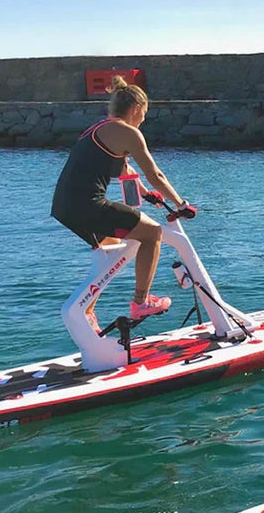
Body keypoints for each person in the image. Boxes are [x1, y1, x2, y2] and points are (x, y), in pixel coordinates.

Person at [51, 76, 189, 331]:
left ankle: (87, 311)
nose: (144, 119)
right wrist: (181, 203)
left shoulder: (101, 128)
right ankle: (141, 302)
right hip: (87, 203)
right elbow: (155, 173)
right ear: (136, 108)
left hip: (64, 206)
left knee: (114, 250)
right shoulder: (128, 132)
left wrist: (147, 194)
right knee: (152, 233)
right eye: (144, 113)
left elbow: (126, 171)